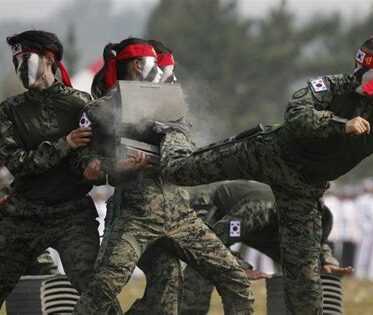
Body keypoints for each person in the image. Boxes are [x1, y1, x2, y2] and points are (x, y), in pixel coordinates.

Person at [158, 32, 373, 314]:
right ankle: (171, 129)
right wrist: (340, 124)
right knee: (179, 170)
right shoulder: (336, 86)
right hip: (268, 153)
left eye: (366, 68)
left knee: (305, 281)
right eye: (357, 64)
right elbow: (296, 112)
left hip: (303, 189)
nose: (357, 72)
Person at [72, 38, 254, 315]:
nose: (161, 70)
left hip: (179, 214)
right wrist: (117, 166)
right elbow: (86, 166)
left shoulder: (169, 104)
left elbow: (185, 151)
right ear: (137, 64)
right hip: (134, 216)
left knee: (233, 279)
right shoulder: (98, 110)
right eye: (154, 62)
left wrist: (163, 158)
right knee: (103, 288)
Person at [129, 180, 352, 315]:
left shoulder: (306, 216)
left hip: (261, 228)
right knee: (205, 268)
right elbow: (213, 242)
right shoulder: (259, 210)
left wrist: (327, 262)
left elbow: (313, 244)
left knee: (300, 265)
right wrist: (239, 266)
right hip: (211, 213)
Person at [0, 30, 100, 304]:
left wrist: (97, 169)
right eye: (15, 61)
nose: (20, 67)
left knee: (95, 292)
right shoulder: (9, 110)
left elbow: (92, 157)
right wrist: (65, 144)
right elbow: (17, 163)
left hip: (72, 214)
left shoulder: (79, 103)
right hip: (23, 214)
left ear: (48, 59)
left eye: (25, 58)